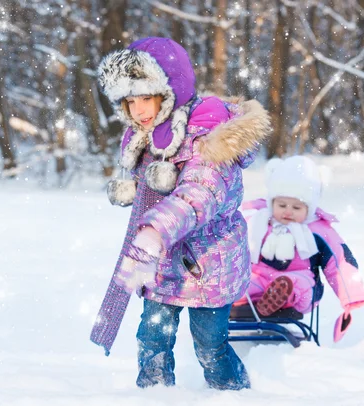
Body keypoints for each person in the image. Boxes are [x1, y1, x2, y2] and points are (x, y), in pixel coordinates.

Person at [89, 37, 271, 390]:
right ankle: (154, 395)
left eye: (146, 97)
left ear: (170, 89)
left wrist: (156, 228)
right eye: (130, 100)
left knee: (209, 346)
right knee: (152, 341)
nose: (139, 109)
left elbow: (199, 194)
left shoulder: (209, 136)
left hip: (208, 266)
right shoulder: (149, 137)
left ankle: (233, 393)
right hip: (162, 268)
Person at [232, 156, 364, 343]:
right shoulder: (257, 222)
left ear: (309, 208)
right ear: (271, 202)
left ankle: (282, 293)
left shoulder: (318, 230)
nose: (288, 211)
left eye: (296, 207)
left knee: (298, 284)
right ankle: (240, 298)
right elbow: (229, 247)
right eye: (281, 205)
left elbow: (339, 262)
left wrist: (351, 297)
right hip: (261, 279)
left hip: (302, 280)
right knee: (243, 283)